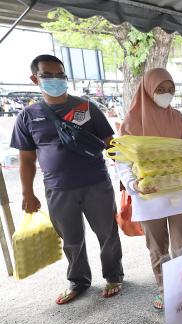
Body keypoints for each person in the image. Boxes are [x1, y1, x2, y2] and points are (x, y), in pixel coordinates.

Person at [10, 54, 123, 305]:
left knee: (107, 233)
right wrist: (27, 193)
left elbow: (111, 144)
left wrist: (129, 174)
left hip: (96, 184)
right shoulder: (27, 116)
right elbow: (26, 159)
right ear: (35, 79)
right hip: (58, 189)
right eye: (47, 75)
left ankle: (114, 276)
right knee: (71, 240)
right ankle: (78, 281)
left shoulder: (86, 107)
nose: (55, 80)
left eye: (60, 75)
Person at [118, 68, 182, 310]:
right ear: (148, 90)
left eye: (170, 90)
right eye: (160, 89)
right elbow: (121, 162)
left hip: (180, 194)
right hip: (149, 197)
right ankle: (165, 290)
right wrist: (134, 184)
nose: (166, 94)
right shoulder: (131, 123)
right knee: (157, 248)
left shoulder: (179, 120)